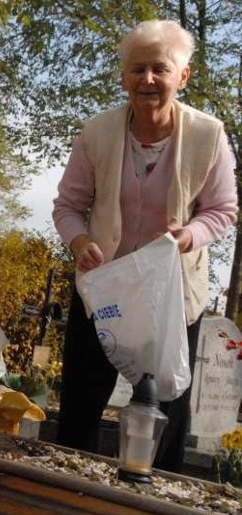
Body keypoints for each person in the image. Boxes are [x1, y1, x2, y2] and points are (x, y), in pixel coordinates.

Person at [52, 20, 237, 473]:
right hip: (104, 289)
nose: (148, 80)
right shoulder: (96, 133)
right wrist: (79, 241)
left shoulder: (207, 136)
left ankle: (157, 501)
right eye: (137, 70)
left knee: (167, 407)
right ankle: (66, 490)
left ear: (183, 76)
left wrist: (189, 236)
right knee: (80, 401)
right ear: (123, 78)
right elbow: (68, 206)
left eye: (160, 68)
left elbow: (223, 209)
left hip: (171, 296)